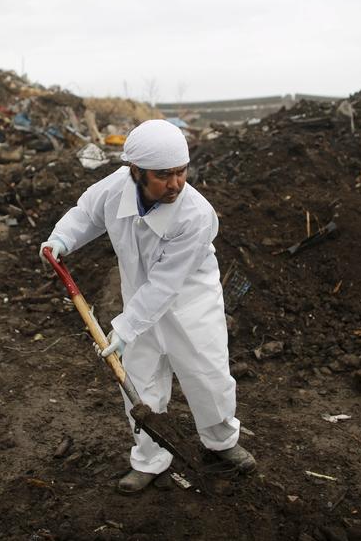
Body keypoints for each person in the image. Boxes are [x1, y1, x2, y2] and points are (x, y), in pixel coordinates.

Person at [39, 119, 255, 494]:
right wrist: (60, 240)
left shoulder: (196, 215)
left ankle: (221, 442)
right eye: (163, 175)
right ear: (135, 171)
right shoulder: (113, 190)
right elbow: (85, 214)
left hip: (190, 306)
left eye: (181, 172)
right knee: (139, 381)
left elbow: (166, 284)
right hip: (138, 300)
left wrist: (123, 328)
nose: (175, 184)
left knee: (208, 377)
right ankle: (150, 460)